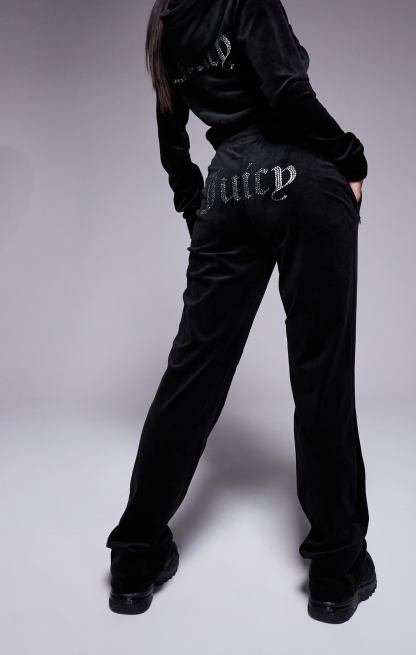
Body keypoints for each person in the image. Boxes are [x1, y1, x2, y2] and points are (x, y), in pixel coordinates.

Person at [105, 0, 376, 624]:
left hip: (227, 190)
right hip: (304, 178)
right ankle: (336, 573)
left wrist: (194, 203)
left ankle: (136, 557)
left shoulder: (166, 21)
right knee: (322, 374)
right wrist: (351, 155)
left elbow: (171, 133)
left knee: (191, 376)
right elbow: (286, 92)